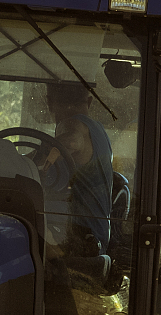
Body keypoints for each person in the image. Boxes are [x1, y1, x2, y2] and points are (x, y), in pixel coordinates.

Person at [40, 82, 115, 255]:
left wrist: (39, 157)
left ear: (49, 102)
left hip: (78, 244)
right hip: (84, 238)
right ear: (89, 101)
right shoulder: (97, 130)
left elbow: (73, 140)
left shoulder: (72, 124)